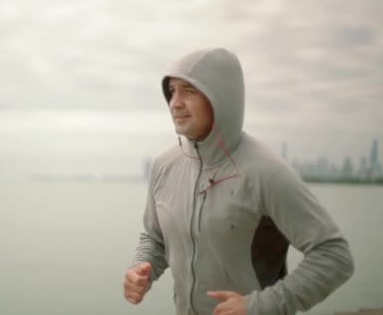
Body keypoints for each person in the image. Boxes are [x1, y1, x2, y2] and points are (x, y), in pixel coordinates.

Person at [123, 48, 354, 315]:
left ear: (221, 98)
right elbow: (155, 238)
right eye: (172, 91)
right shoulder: (165, 166)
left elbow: (334, 256)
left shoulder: (267, 172)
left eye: (189, 90)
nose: (175, 102)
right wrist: (141, 268)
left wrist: (261, 306)